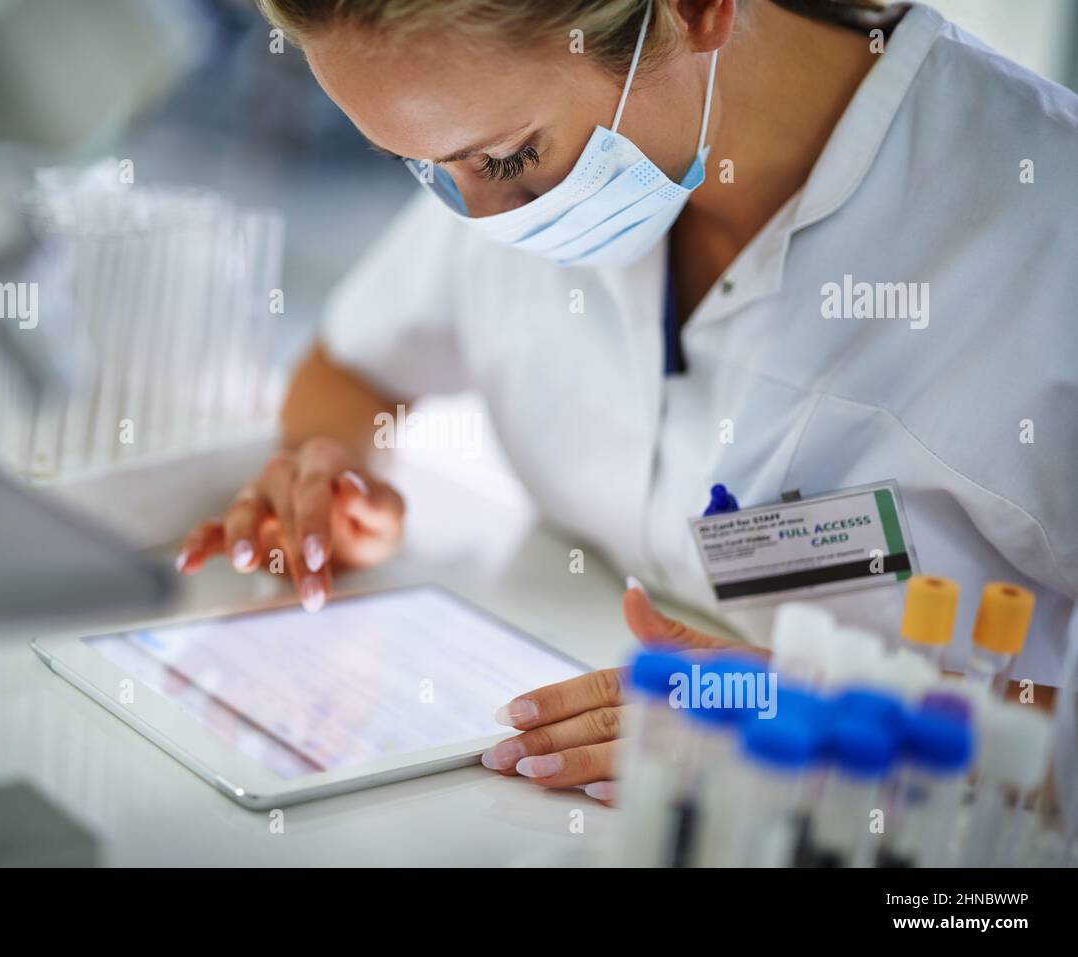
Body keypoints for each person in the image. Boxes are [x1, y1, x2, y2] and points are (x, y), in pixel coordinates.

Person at [176, 0, 1078, 801]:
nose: (485, 219)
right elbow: (352, 369)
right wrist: (334, 476)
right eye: (424, 168)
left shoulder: (1045, 233)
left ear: (696, 11)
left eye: (508, 158)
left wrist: (857, 723)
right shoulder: (501, 150)